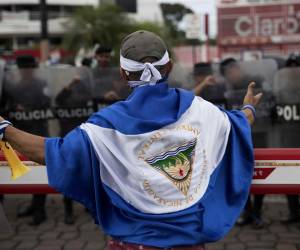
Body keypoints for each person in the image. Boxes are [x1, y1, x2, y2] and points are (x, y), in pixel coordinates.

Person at [0, 31, 262, 249]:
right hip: (190, 241)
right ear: (169, 67)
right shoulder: (202, 110)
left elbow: (51, 153)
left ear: (124, 75)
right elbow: (237, 124)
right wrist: (248, 108)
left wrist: (4, 128)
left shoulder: (104, 126)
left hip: (135, 241)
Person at [2, 55, 50, 225]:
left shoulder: (41, 84)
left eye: (30, 67)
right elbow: (6, 106)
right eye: (24, 68)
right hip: (19, 132)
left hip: (37, 130)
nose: (27, 71)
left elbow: (48, 103)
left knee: (38, 168)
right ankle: (33, 206)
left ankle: (40, 210)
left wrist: (31, 107)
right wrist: (15, 108)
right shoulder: (12, 86)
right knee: (25, 168)